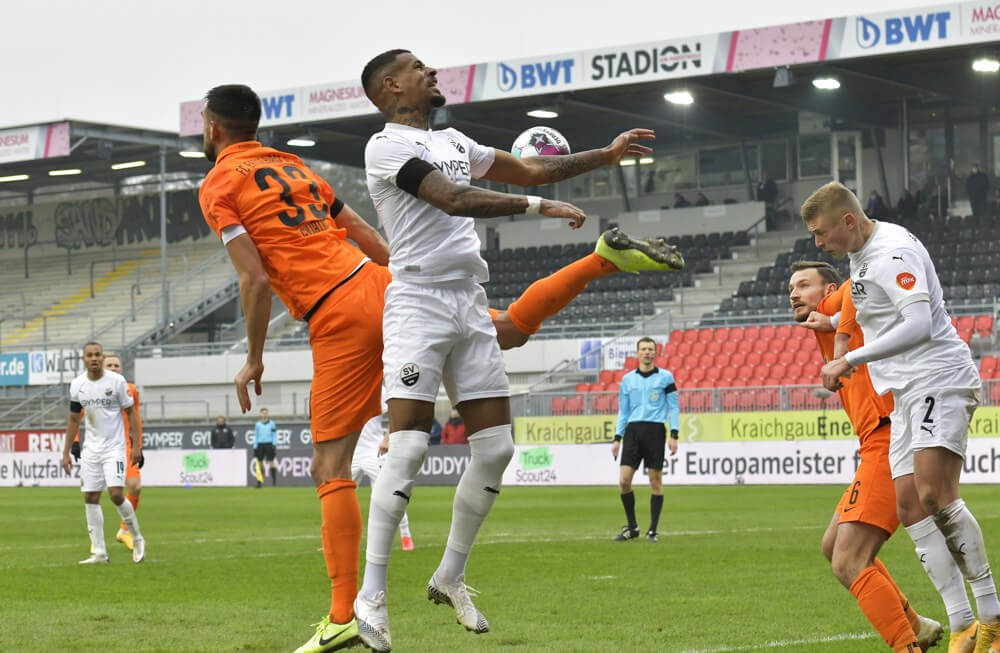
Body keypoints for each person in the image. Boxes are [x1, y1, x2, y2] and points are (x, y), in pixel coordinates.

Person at [199, 82, 681, 653]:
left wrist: (253, 357)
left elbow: (253, 278)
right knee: (504, 332)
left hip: (334, 310)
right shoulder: (296, 168)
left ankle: (344, 614)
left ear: (212, 129)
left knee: (331, 464)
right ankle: (599, 261)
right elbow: (364, 233)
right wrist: (404, 281)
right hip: (383, 281)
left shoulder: (218, 184)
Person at [357, 48, 679, 652]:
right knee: (406, 448)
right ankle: (370, 596)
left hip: (467, 300)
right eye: (419, 68)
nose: (433, 72)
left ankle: (450, 576)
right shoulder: (385, 147)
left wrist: (604, 156)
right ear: (391, 86)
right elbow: (452, 199)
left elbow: (528, 169)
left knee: (498, 447)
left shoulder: (454, 139)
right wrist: (540, 208)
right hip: (418, 301)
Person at [802, 181, 1000, 652]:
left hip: (937, 377)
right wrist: (834, 325)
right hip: (906, 391)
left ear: (848, 221)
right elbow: (870, 304)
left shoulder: (891, 253)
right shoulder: (863, 251)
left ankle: (992, 617)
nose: (817, 243)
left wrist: (848, 358)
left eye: (821, 232)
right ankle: (962, 626)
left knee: (935, 493)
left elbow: (919, 324)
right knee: (911, 506)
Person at [791, 261, 944, 653]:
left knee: (848, 560)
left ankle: (906, 645)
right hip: (877, 440)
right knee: (832, 546)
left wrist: (836, 322)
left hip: (888, 434)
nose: (793, 293)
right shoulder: (831, 323)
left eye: (804, 285)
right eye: (791, 287)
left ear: (828, 291)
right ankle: (917, 626)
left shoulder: (844, 299)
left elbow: (861, 288)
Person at [60, 342, 145, 564]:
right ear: (84, 359)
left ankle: (136, 537)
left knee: (116, 494)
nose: (94, 358)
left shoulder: (117, 382)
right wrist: (66, 451)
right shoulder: (78, 385)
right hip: (91, 449)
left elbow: (132, 413)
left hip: (114, 447)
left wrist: (136, 446)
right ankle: (99, 552)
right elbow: (73, 419)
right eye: (90, 355)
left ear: (102, 356)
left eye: (98, 354)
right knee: (90, 496)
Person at [610, 337, 679, 543]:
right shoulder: (627, 380)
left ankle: (653, 530)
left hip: (655, 430)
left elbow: (673, 407)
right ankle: (632, 527)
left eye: (651, 349)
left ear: (656, 353)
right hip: (633, 431)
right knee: (623, 480)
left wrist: (674, 434)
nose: (647, 352)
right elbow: (623, 411)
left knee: (655, 480)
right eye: (643, 349)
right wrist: (617, 438)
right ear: (637, 353)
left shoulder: (666, 377)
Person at [352, 412, 414, 552]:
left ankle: (405, 534)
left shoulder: (378, 391)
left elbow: (396, 413)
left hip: (374, 452)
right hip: (351, 452)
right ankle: (333, 541)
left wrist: (387, 438)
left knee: (389, 494)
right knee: (340, 496)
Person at [102, 353, 144, 552]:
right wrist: (75, 442)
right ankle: (97, 547)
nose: (113, 368)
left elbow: (136, 418)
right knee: (93, 495)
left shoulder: (131, 389)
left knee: (135, 487)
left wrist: (138, 446)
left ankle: (124, 530)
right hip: (100, 447)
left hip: (125, 445)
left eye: (116, 365)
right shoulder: (92, 389)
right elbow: (77, 414)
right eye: (109, 364)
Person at [253, 408, 278, 487]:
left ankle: (274, 483)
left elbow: (274, 434)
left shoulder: (272, 424)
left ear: (268, 414)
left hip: (269, 444)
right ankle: (259, 482)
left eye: (265, 413)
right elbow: (256, 436)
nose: (264, 414)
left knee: (271, 462)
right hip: (260, 445)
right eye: (263, 413)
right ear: (260, 414)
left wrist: (274, 444)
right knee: (259, 463)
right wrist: (255, 446)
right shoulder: (258, 424)